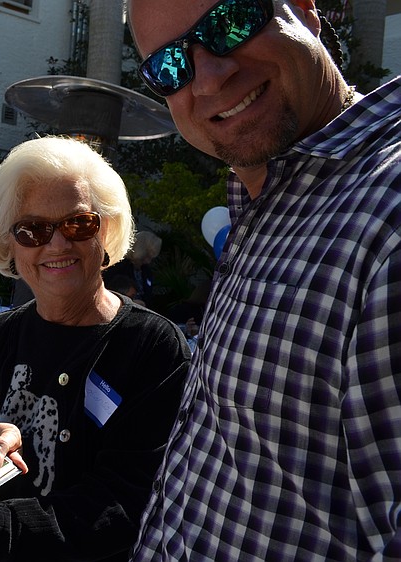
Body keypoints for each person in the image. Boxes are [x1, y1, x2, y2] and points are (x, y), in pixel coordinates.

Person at [127, 0, 401, 559]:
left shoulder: (388, 206)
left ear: (305, 9)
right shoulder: (269, 204)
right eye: (169, 66)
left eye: (232, 21)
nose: (209, 78)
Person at [0, 136, 191, 560]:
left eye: (78, 224)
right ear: (10, 246)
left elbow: (126, 501)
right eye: (32, 230)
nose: (56, 245)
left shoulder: (152, 348)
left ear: (106, 231)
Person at [103, 230, 162, 307]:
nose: (148, 261)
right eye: (147, 256)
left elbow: (148, 294)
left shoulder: (146, 270)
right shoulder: (118, 268)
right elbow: (111, 291)